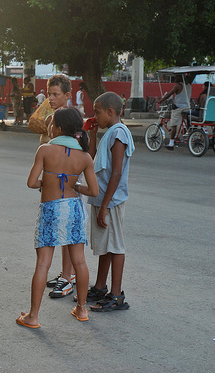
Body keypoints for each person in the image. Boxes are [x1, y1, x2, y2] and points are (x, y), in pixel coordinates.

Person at [16, 107, 98, 328]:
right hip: (73, 209)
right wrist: (75, 185)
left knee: (43, 264)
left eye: (51, 124)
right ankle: (81, 309)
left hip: (51, 209)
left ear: (59, 128)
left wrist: (47, 183)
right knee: (79, 261)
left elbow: (32, 182)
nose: (49, 127)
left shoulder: (45, 150)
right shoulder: (84, 156)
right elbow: (93, 191)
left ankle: (33, 316)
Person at [84, 92, 135, 312]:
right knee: (106, 246)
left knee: (115, 246)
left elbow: (116, 173)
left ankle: (116, 295)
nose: (94, 116)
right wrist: (93, 136)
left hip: (111, 201)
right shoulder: (109, 133)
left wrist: (104, 206)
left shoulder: (119, 134)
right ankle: (100, 286)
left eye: (97, 112)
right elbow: (92, 159)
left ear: (110, 112)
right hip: (102, 198)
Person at [39, 74, 78, 299]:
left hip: (66, 186)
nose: (51, 98)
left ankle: (68, 277)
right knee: (59, 231)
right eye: (49, 94)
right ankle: (65, 273)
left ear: (67, 95)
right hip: (50, 185)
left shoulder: (72, 121)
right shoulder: (50, 118)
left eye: (55, 94)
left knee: (68, 235)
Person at [157, 74, 191, 149]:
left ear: (180, 77)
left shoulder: (178, 85)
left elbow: (170, 93)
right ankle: (182, 131)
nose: (175, 78)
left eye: (177, 76)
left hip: (179, 107)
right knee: (182, 121)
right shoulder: (188, 85)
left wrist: (161, 100)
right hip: (187, 107)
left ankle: (171, 143)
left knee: (173, 125)